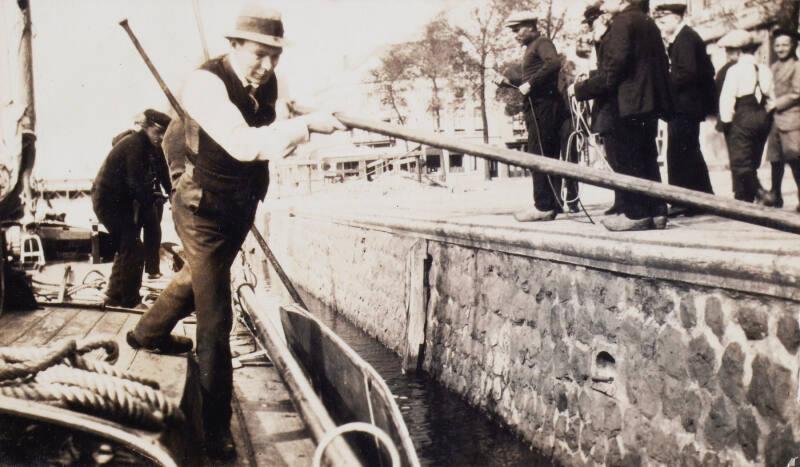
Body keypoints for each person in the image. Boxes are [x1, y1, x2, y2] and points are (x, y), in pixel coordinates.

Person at [125, 3, 345, 459]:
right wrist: (306, 126)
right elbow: (245, 145)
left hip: (239, 209)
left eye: (274, 58)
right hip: (202, 212)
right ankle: (215, 430)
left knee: (196, 281)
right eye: (257, 56)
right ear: (234, 47)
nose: (266, 67)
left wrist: (307, 114)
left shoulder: (268, 84)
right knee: (216, 317)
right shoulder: (204, 84)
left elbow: (277, 113)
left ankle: (146, 333)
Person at [574, 0, 673, 231]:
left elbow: (613, 70)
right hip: (648, 103)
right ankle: (658, 211)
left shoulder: (622, 22)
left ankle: (636, 214)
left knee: (628, 160)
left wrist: (581, 89)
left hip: (626, 103)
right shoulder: (648, 22)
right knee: (647, 158)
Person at [91, 109, 171, 308]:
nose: (161, 137)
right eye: (157, 132)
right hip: (108, 201)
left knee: (127, 245)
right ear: (146, 128)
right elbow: (135, 182)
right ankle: (130, 301)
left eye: (164, 133)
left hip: (123, 202)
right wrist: (151, 200)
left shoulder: (153, 146)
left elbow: (162, 172)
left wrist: (173, 193)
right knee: (133, 247)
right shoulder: (135, 144)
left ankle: (113, 295)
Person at [504, 12, 569, 222]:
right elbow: (537, 72)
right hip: (542, 106)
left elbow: (553, 63)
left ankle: (543, 206)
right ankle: (553, 203)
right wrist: (510, 81)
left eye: (517, 30)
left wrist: (531, 84)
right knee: (548, 154)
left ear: (531, 27)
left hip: (542, 108)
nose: (515, 35)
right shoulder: (534, 47)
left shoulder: (542, 42)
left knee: (538, 154)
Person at [653, 1, 716, 216]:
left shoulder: (686, 39)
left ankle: (683, 201)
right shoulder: (684, 37)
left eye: (665, 18)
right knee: (690, 151)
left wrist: (664, 84)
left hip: (685, 106)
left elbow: (687, 73)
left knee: (680, 152)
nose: (661, 22)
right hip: (687, 105)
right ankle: (703, 199)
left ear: (678, 17)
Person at [717, 29, 776, 204]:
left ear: (739, 50)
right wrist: (766, 117)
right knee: (753, 159)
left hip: (742, 116)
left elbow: (727, 99)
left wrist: (727, 122)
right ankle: (745, 197)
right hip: (762, 117)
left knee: (741, 162)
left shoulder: (734, 70)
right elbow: (772, 100)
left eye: (730, 50)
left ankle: (761, 193)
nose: (728, 54)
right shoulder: (765, 70)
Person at [767, 28, 800, 209]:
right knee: (775, 160)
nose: (780, 48)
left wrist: (776, 104)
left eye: (785, 45)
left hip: (792, 121)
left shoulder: (797, 66)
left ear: (793, 45)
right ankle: (775, 196)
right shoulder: (773, 67)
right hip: (774, 122)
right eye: (777, 45)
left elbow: (797, 93)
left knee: (796, 160)